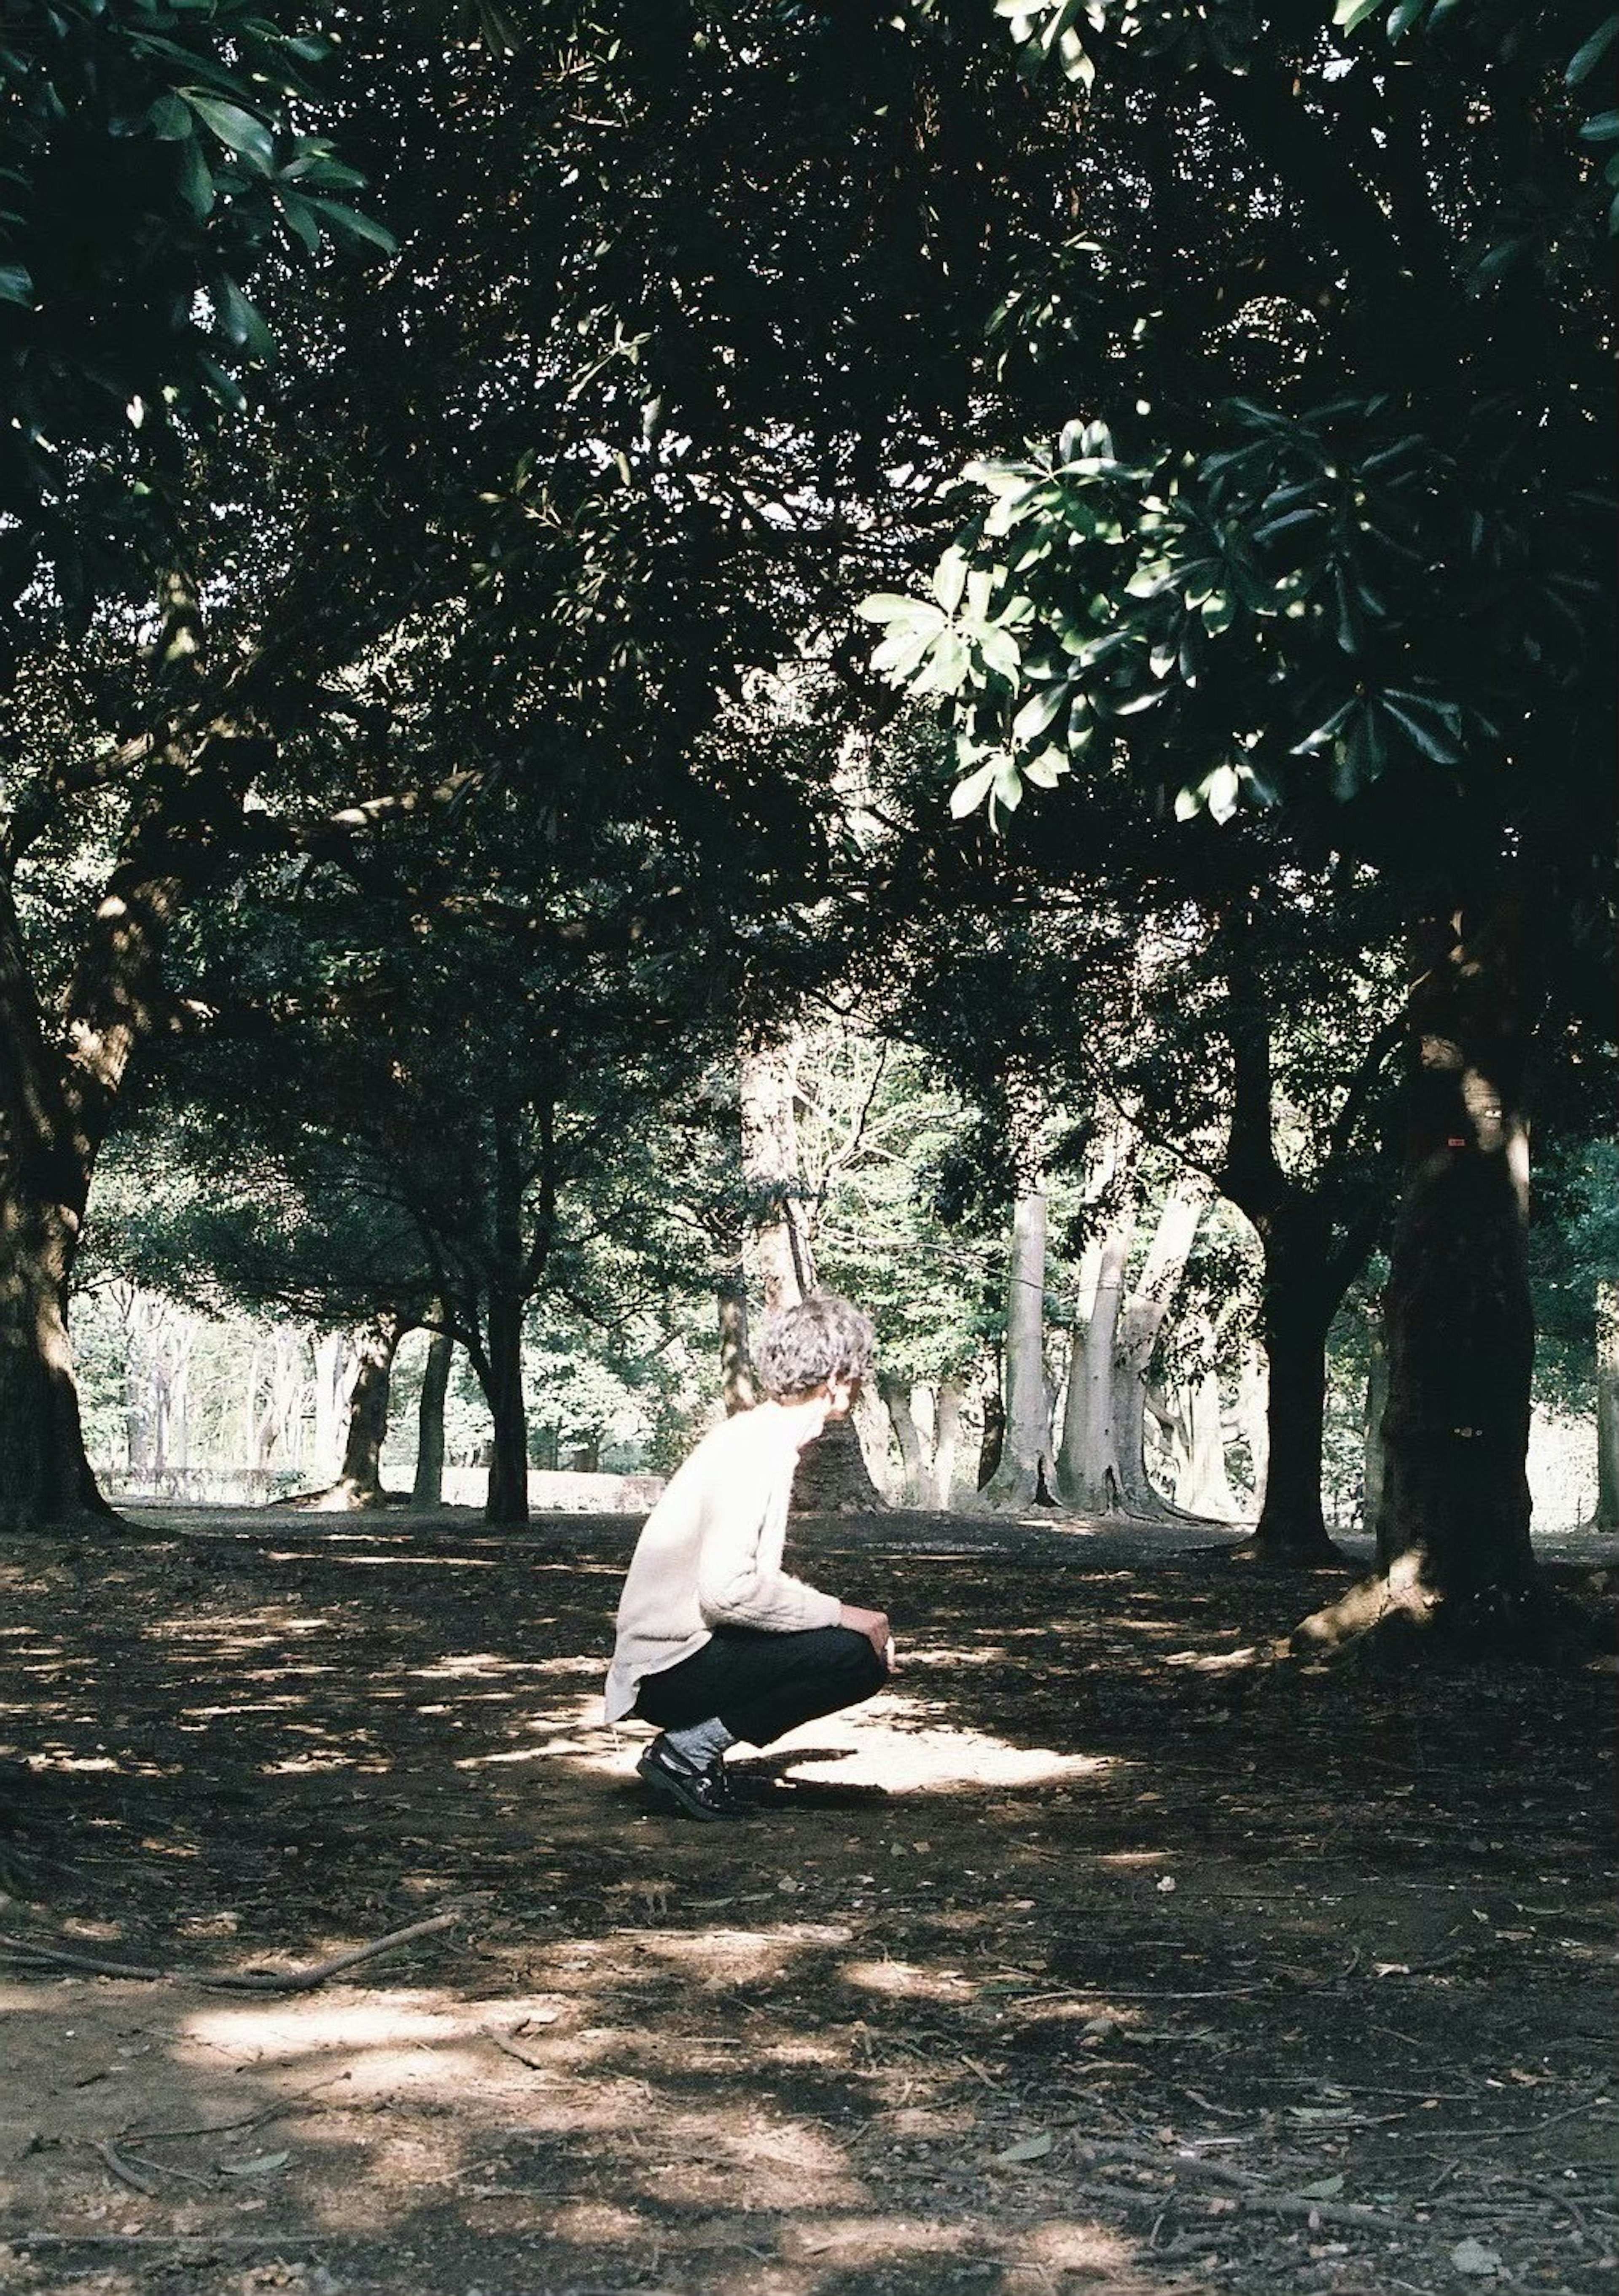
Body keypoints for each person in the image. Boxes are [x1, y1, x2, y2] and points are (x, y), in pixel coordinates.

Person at [604, 1293, 893, 1821]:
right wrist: (841, 1614)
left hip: (679, 1656)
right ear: (836, 1381)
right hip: (666, 1669)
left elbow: (746, 1582)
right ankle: (686, 1753)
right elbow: (729, 1593)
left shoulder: (758, 1440)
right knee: (854, 1655)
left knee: (854, 1644)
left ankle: (692, 1749)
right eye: (855, 1375)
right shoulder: (754, 1452)